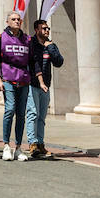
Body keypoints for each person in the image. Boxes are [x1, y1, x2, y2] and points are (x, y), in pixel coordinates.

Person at [0, 11, 32, 161]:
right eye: (13, 19)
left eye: (18, 19)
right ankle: (6, 145)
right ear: (7, 22)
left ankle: (19, 148)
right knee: (10, 109)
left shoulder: (27, 39)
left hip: (23, 80)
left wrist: (37, 80)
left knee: (21, 114)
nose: (17, 21)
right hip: (8, 79)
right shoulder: (0, 38)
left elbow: (33, 61)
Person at [25, 19, 63, 160]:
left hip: (46, 85)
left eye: (48, 29)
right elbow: (30, 62)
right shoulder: (31, 44)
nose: (47, 31)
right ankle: (32, 143)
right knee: (32, 113)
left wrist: (51, 47)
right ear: (37, 30)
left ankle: (40, 143)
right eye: (44, 28)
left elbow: (59, 62)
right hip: (32, 84)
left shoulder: (50, 45)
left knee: (42, 116)